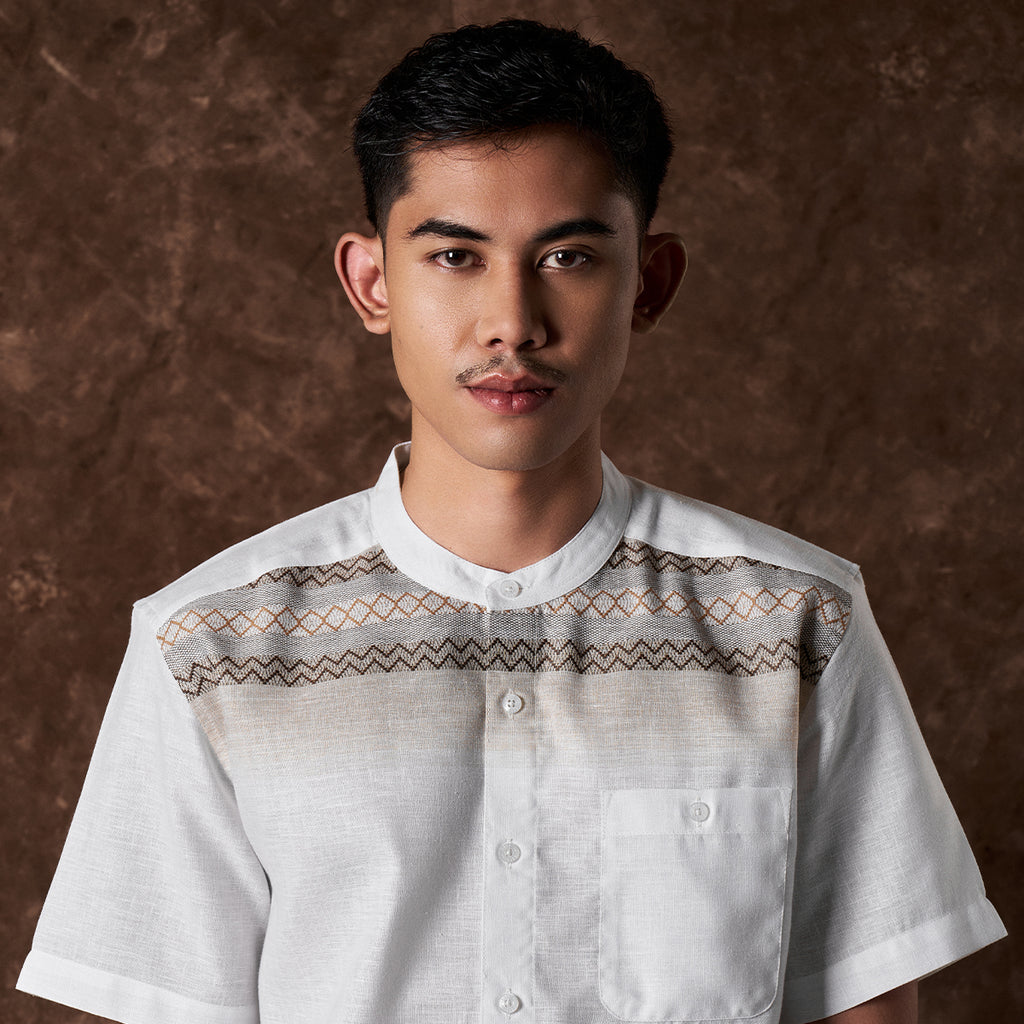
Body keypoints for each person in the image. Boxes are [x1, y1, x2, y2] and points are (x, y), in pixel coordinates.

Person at [17, 18, 1005, 1024]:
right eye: (455, 255)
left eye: (568, 255)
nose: (512, 323)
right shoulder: (206, 646)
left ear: (649, 282)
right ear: (371, 282)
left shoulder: (798, 622)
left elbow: (865, 1008)